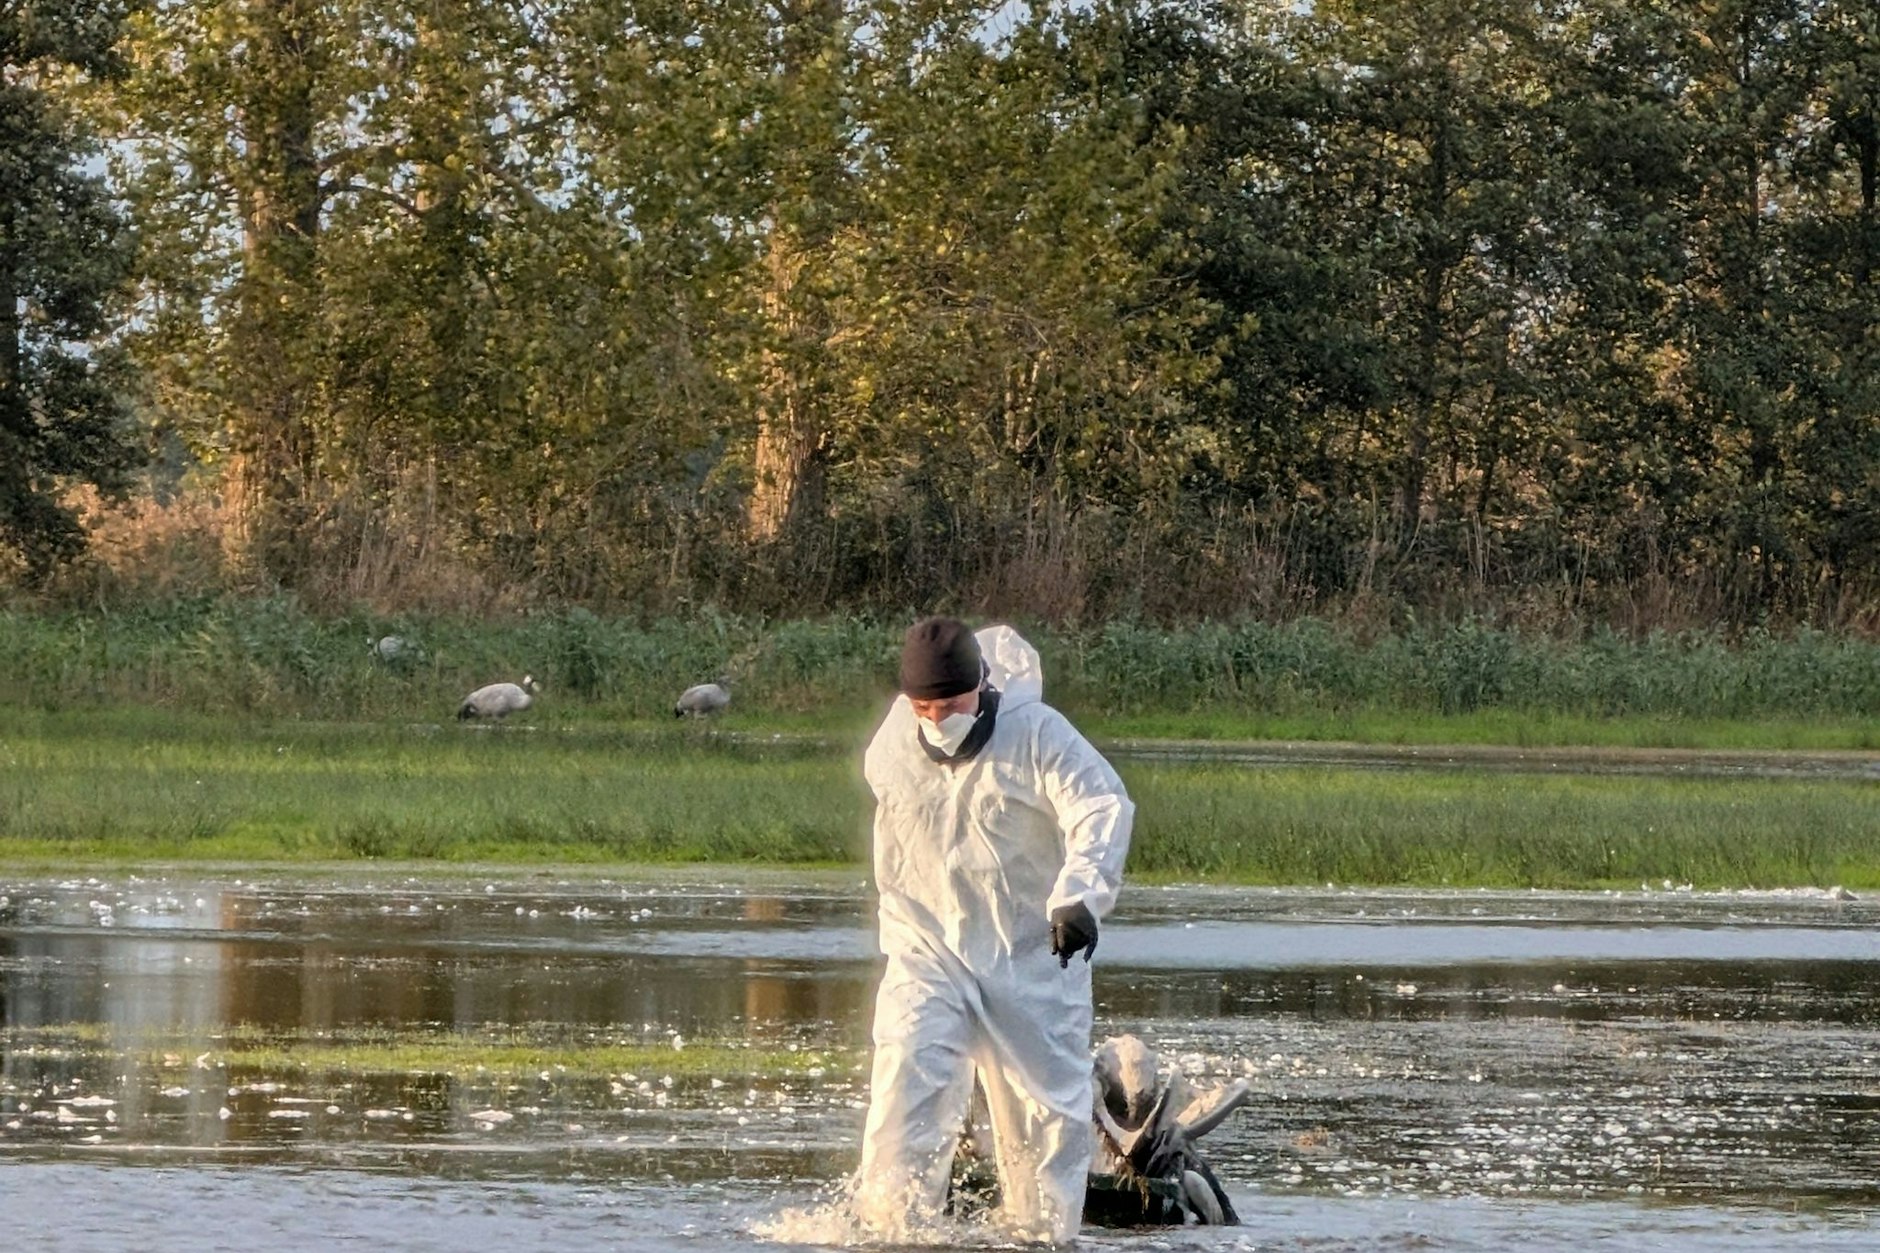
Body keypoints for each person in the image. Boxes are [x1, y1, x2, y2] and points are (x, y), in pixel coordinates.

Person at [853, 617, 1134, 1242]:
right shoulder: (893, 742)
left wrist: (1079, 897)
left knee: (1043, 1116)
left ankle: (1039, 1238)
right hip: (926, 948)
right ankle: (890, 1234)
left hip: (1030, 957)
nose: (937, 720)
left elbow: (1100, 807)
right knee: (904, 1082)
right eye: (923, 708)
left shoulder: (1038, 735)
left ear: (980, 684)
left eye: (950, 705)